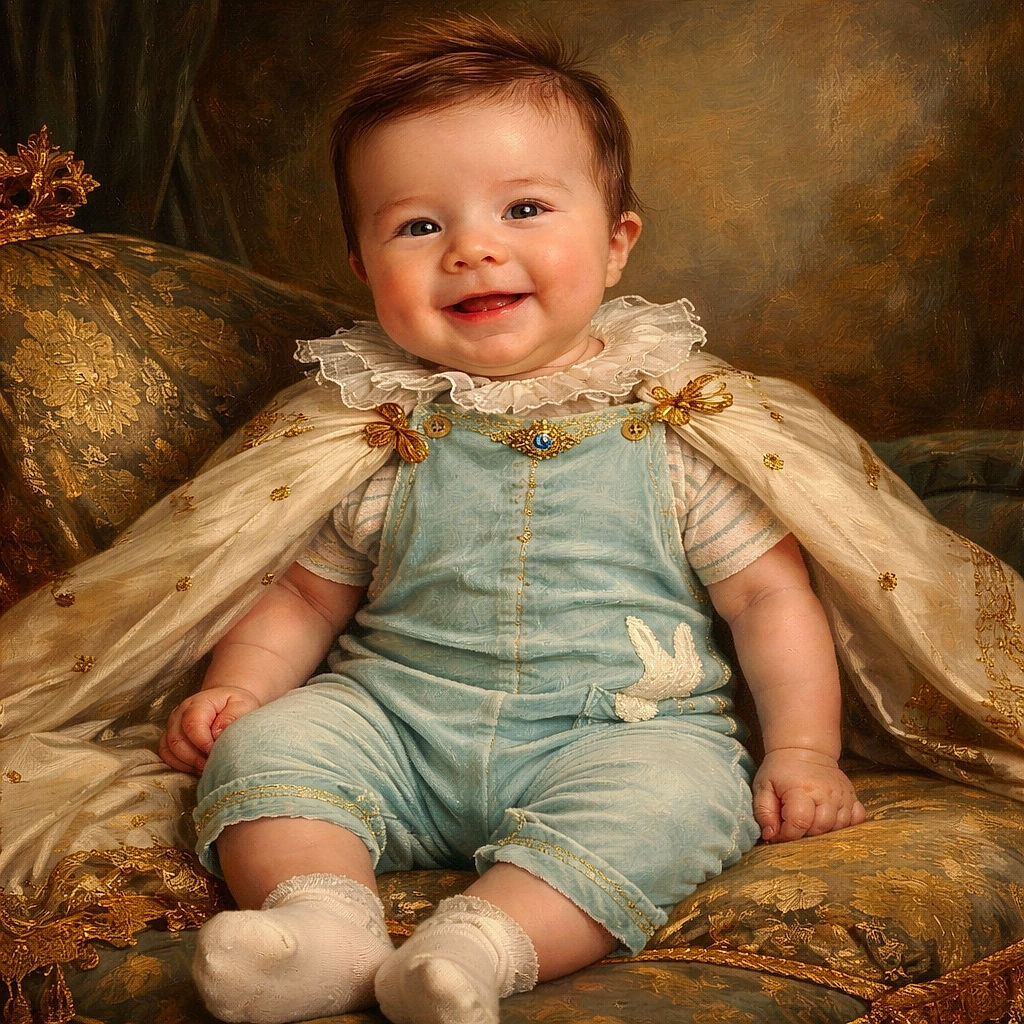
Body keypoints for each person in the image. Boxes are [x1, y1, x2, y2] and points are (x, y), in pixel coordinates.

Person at [159, 15, 866, 1024]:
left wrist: (802, 748)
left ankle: (476, 948)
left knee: (682, 797)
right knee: (272, 748)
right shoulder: (374, 433)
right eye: (417, 226)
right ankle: (323, 923)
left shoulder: (675, 426)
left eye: (524, 207)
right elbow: (304, 596)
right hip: (398, 718)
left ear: (616, 245)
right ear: (364, 265)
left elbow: (765, 596)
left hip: (618, 733)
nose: (473, 249)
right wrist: (238, 687)